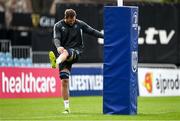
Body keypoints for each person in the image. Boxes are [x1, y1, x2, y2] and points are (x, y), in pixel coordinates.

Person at [49, 9, 103, 114]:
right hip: (63, 53)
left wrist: (105, 36)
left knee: (67, 52)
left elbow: (92, 31)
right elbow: (56, 38)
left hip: (76, 51)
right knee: (64, 81)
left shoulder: (79, 24)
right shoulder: (58, 26)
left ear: (75, 17)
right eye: (70, 20)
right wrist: (58, 46)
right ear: (65, 18)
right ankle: (66, 108)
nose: (72, 22)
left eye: (73, 20)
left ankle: (56, 62)